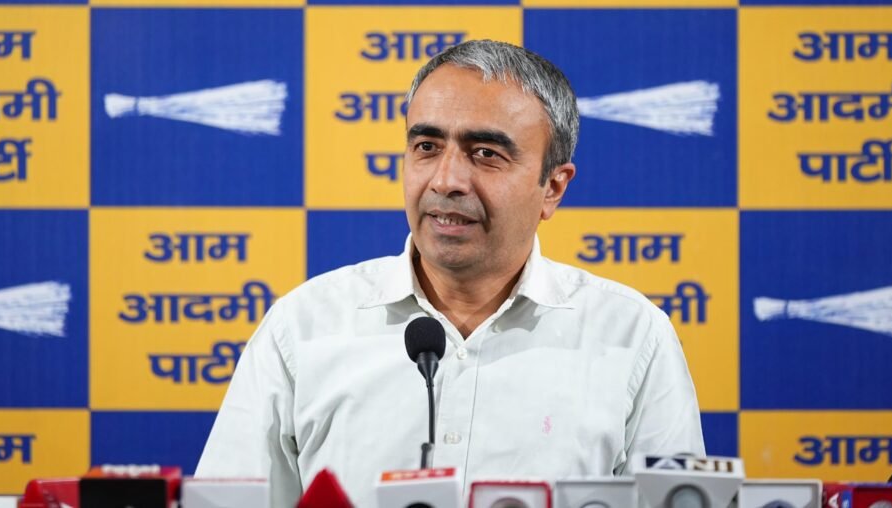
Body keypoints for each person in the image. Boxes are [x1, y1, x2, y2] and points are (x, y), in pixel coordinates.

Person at [196, 40, 704, 507]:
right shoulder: (302, 327)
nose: (447, 180)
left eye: (486, 154)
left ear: (552, 187)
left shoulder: (632, 336)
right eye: (427, 147)